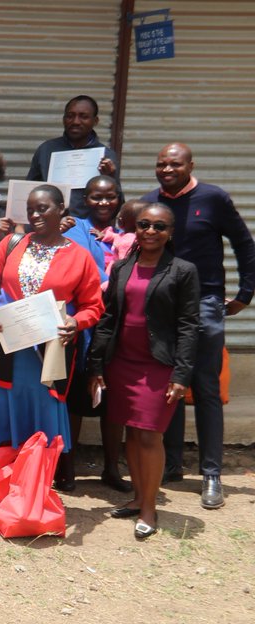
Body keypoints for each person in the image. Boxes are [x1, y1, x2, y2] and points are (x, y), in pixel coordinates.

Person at [142, 143, 255, 509]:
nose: (167, 169)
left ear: (191, 165)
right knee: (166, 384)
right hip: (162, 307)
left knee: (205, 388)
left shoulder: (214, 198)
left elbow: (244, 244)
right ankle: (171, 464)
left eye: (174, 164)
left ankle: (211, 474)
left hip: (205, 304)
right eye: (161, 164)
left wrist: (245, 293)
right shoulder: (149, 204)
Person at [89, 202, 200, 539]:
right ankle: (138, 499)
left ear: (171, 233)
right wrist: (96, 365)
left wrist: (181, 375)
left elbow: (189, 326)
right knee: (133, 435)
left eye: (159, 226)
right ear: (135, 228)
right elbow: (108, 319)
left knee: (150, 435)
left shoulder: (183, 271)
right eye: (144, 224)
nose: (151, 231)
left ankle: (150, 509)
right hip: (123, 363)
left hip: (159, 366)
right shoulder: (122, 267)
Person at [0, 185, 104, 453]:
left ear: (61, 209)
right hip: (3, 349)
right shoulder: (12, 244)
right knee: (1, 419)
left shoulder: (79, 256)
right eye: (30, 210)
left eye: (42, 209)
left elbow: (93, 305)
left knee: (40, 420)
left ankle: (33, 484)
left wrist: (76, 323)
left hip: (46, 354)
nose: (35, 216)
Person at [60, 173, 128, 492]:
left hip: (121, 326)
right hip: (83, 322)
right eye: (96, 197)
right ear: (84, 199)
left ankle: (112, 468)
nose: (103, 202)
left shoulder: (132, 229)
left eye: (110, 196)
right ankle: (68, 467)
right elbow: (70, 268)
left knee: (112, 401)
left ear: (119, 198)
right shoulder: (73, 227)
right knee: (75, 396)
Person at [26, 95, 121, 218]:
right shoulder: (46, 150)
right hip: (50, 227)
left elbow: (117, 205)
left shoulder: (106, 156)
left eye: (84, 117)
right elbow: (28, 192)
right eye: (70, 116)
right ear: (64, 119)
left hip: (89, 230)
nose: (75, 121)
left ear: (95, 121)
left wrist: (110, 177)